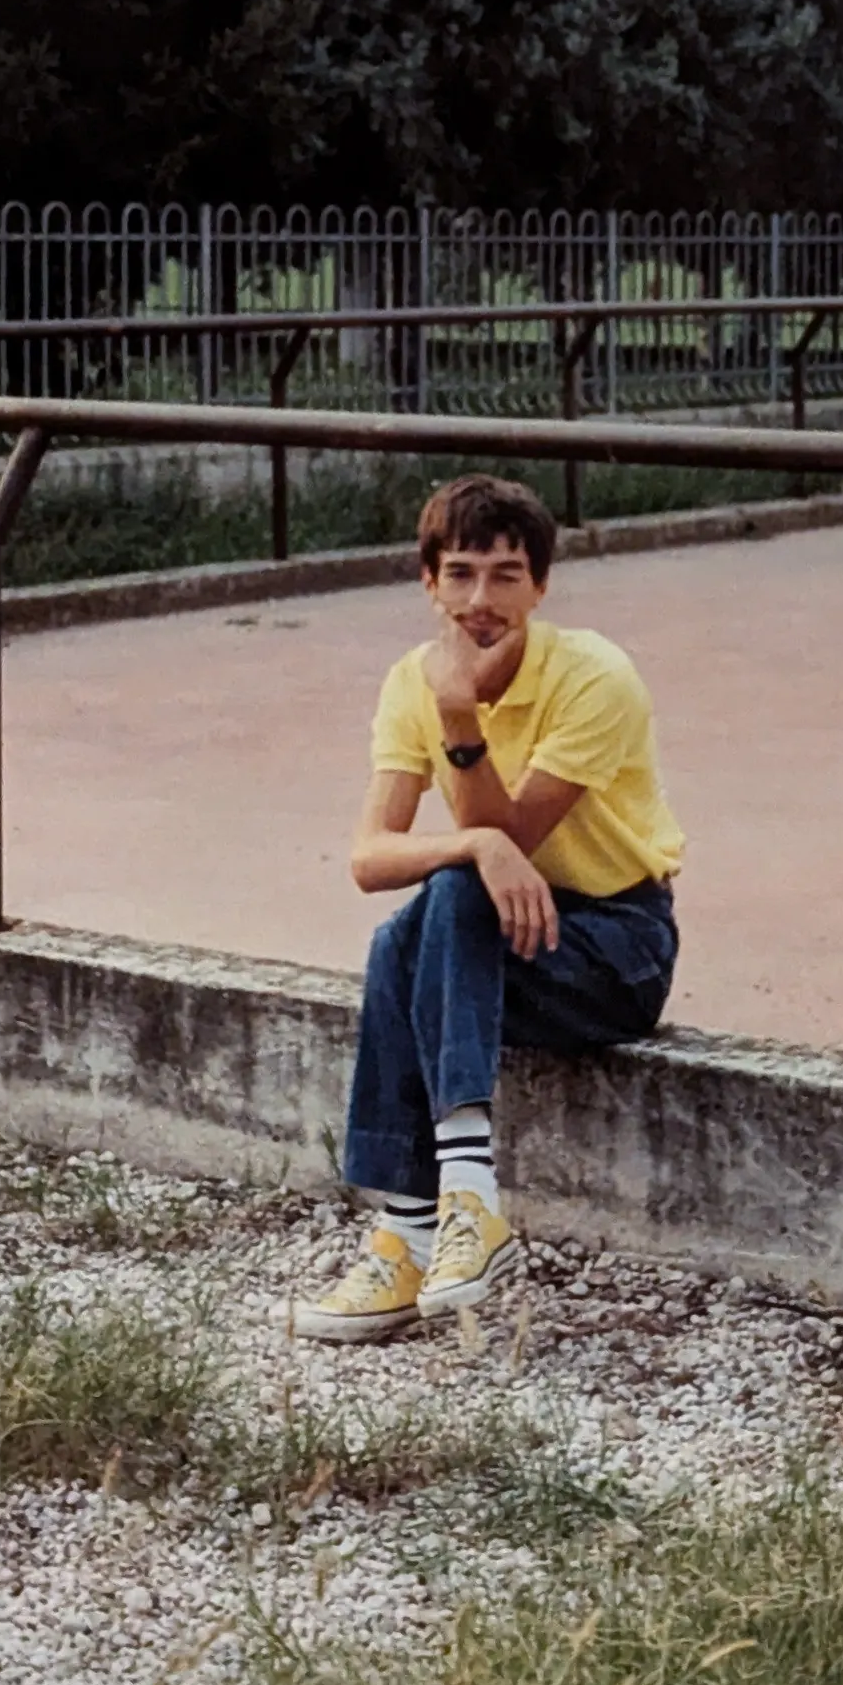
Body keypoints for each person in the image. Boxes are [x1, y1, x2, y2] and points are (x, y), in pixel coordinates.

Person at [288, 472, 684, 1342]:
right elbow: (368, 854)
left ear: (540, 586)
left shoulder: (593, 677)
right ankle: (410, 1231)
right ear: (427, 581)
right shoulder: (409, 681)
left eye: (506, 574)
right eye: (460, 572)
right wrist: (473, 843)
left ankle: (462, 1198)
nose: (481, 600)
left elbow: (511, 832)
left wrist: (461, 721)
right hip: (493, 940)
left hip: (614, 947)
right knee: (411, 927)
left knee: (450, 892)